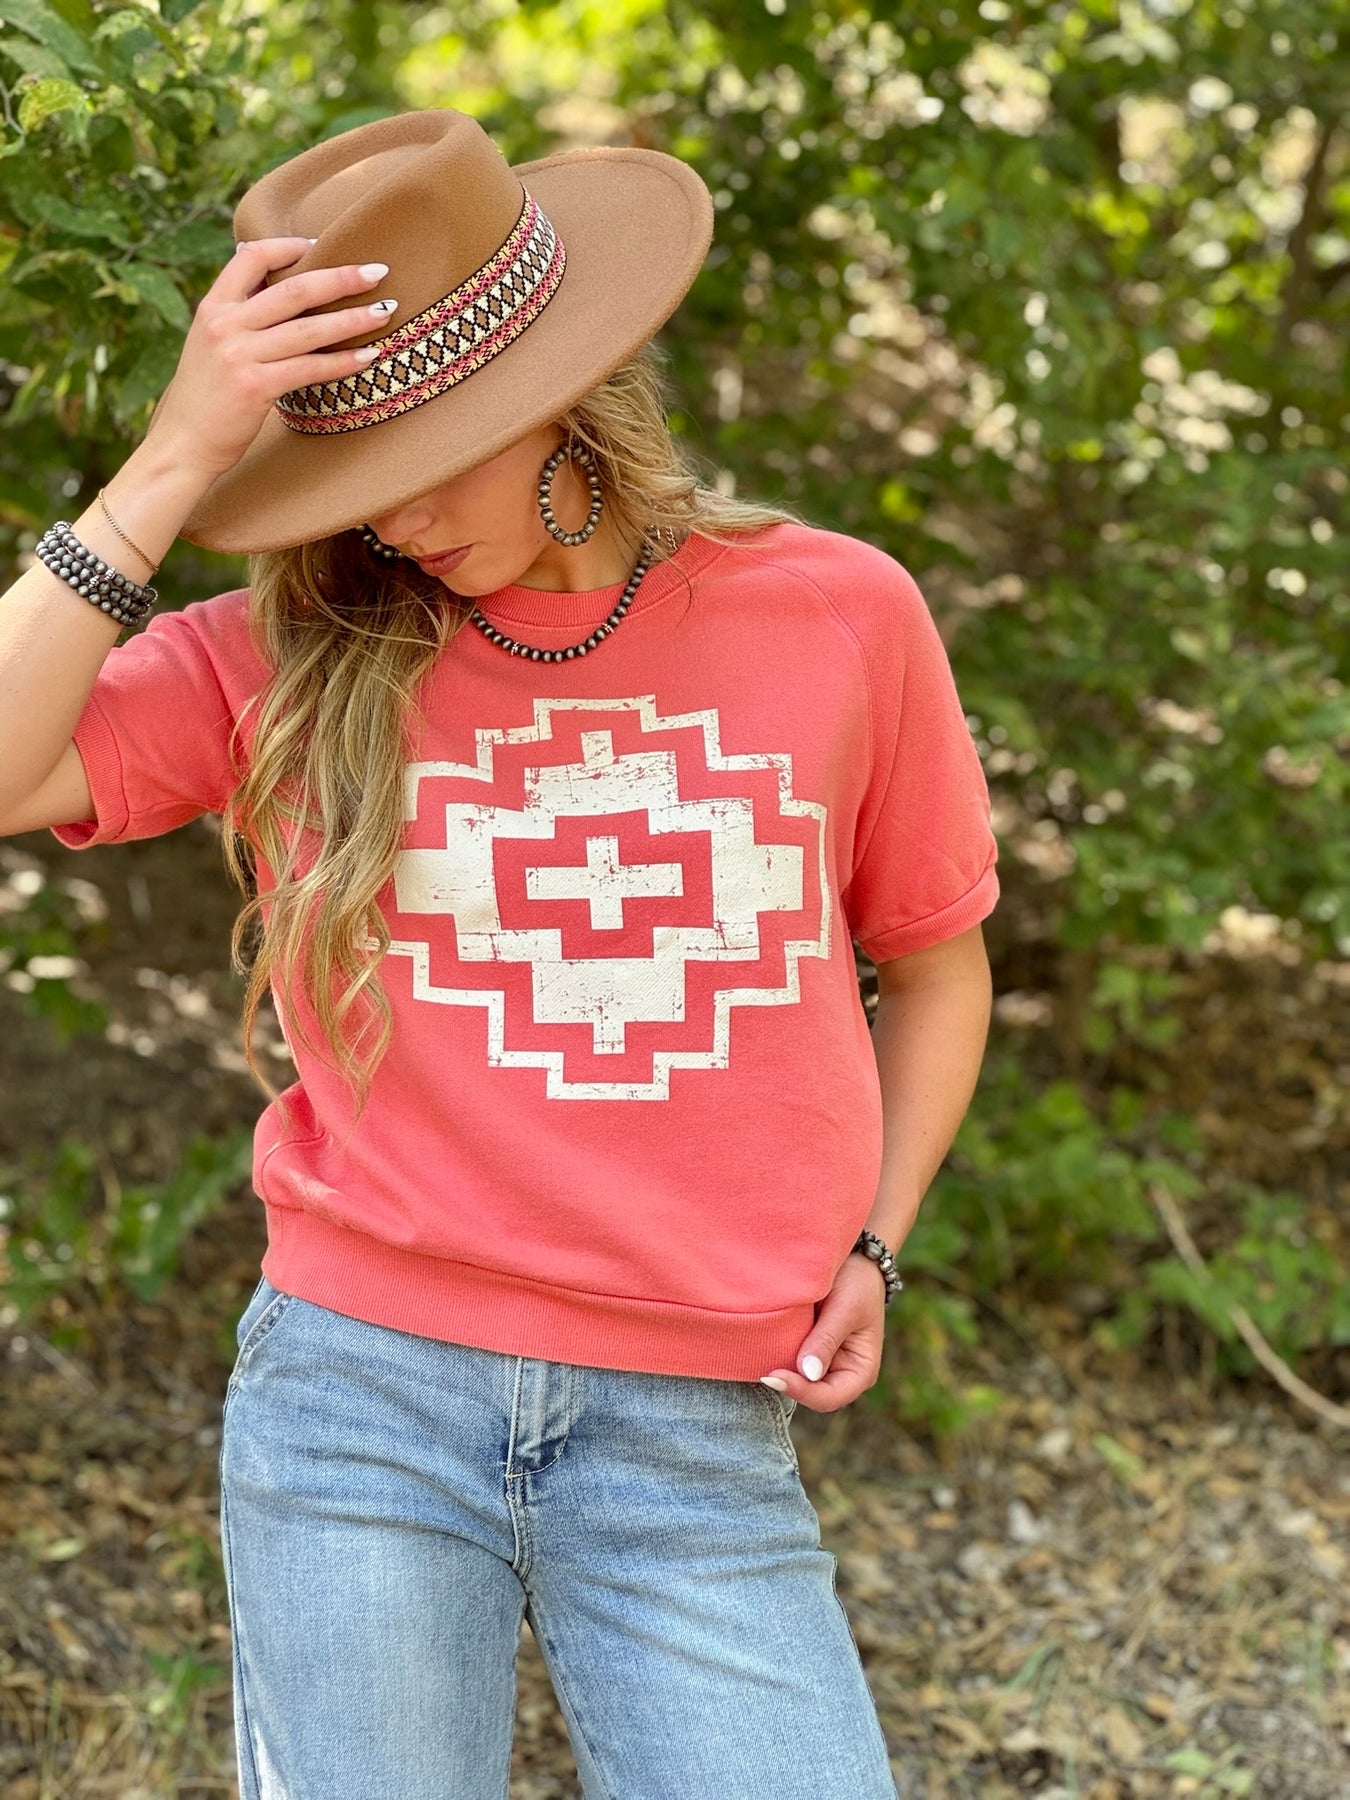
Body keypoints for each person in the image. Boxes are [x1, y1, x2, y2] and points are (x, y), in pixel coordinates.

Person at [0, 108, 997, 1799]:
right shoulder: (293, 655)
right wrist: (170, 462)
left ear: (562, 391)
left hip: (693, 1424)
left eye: (431, 458)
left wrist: (877, 1242)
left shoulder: (837, 615)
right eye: (353, 479)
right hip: (359, 1406)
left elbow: (937, 963)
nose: (390, 524)